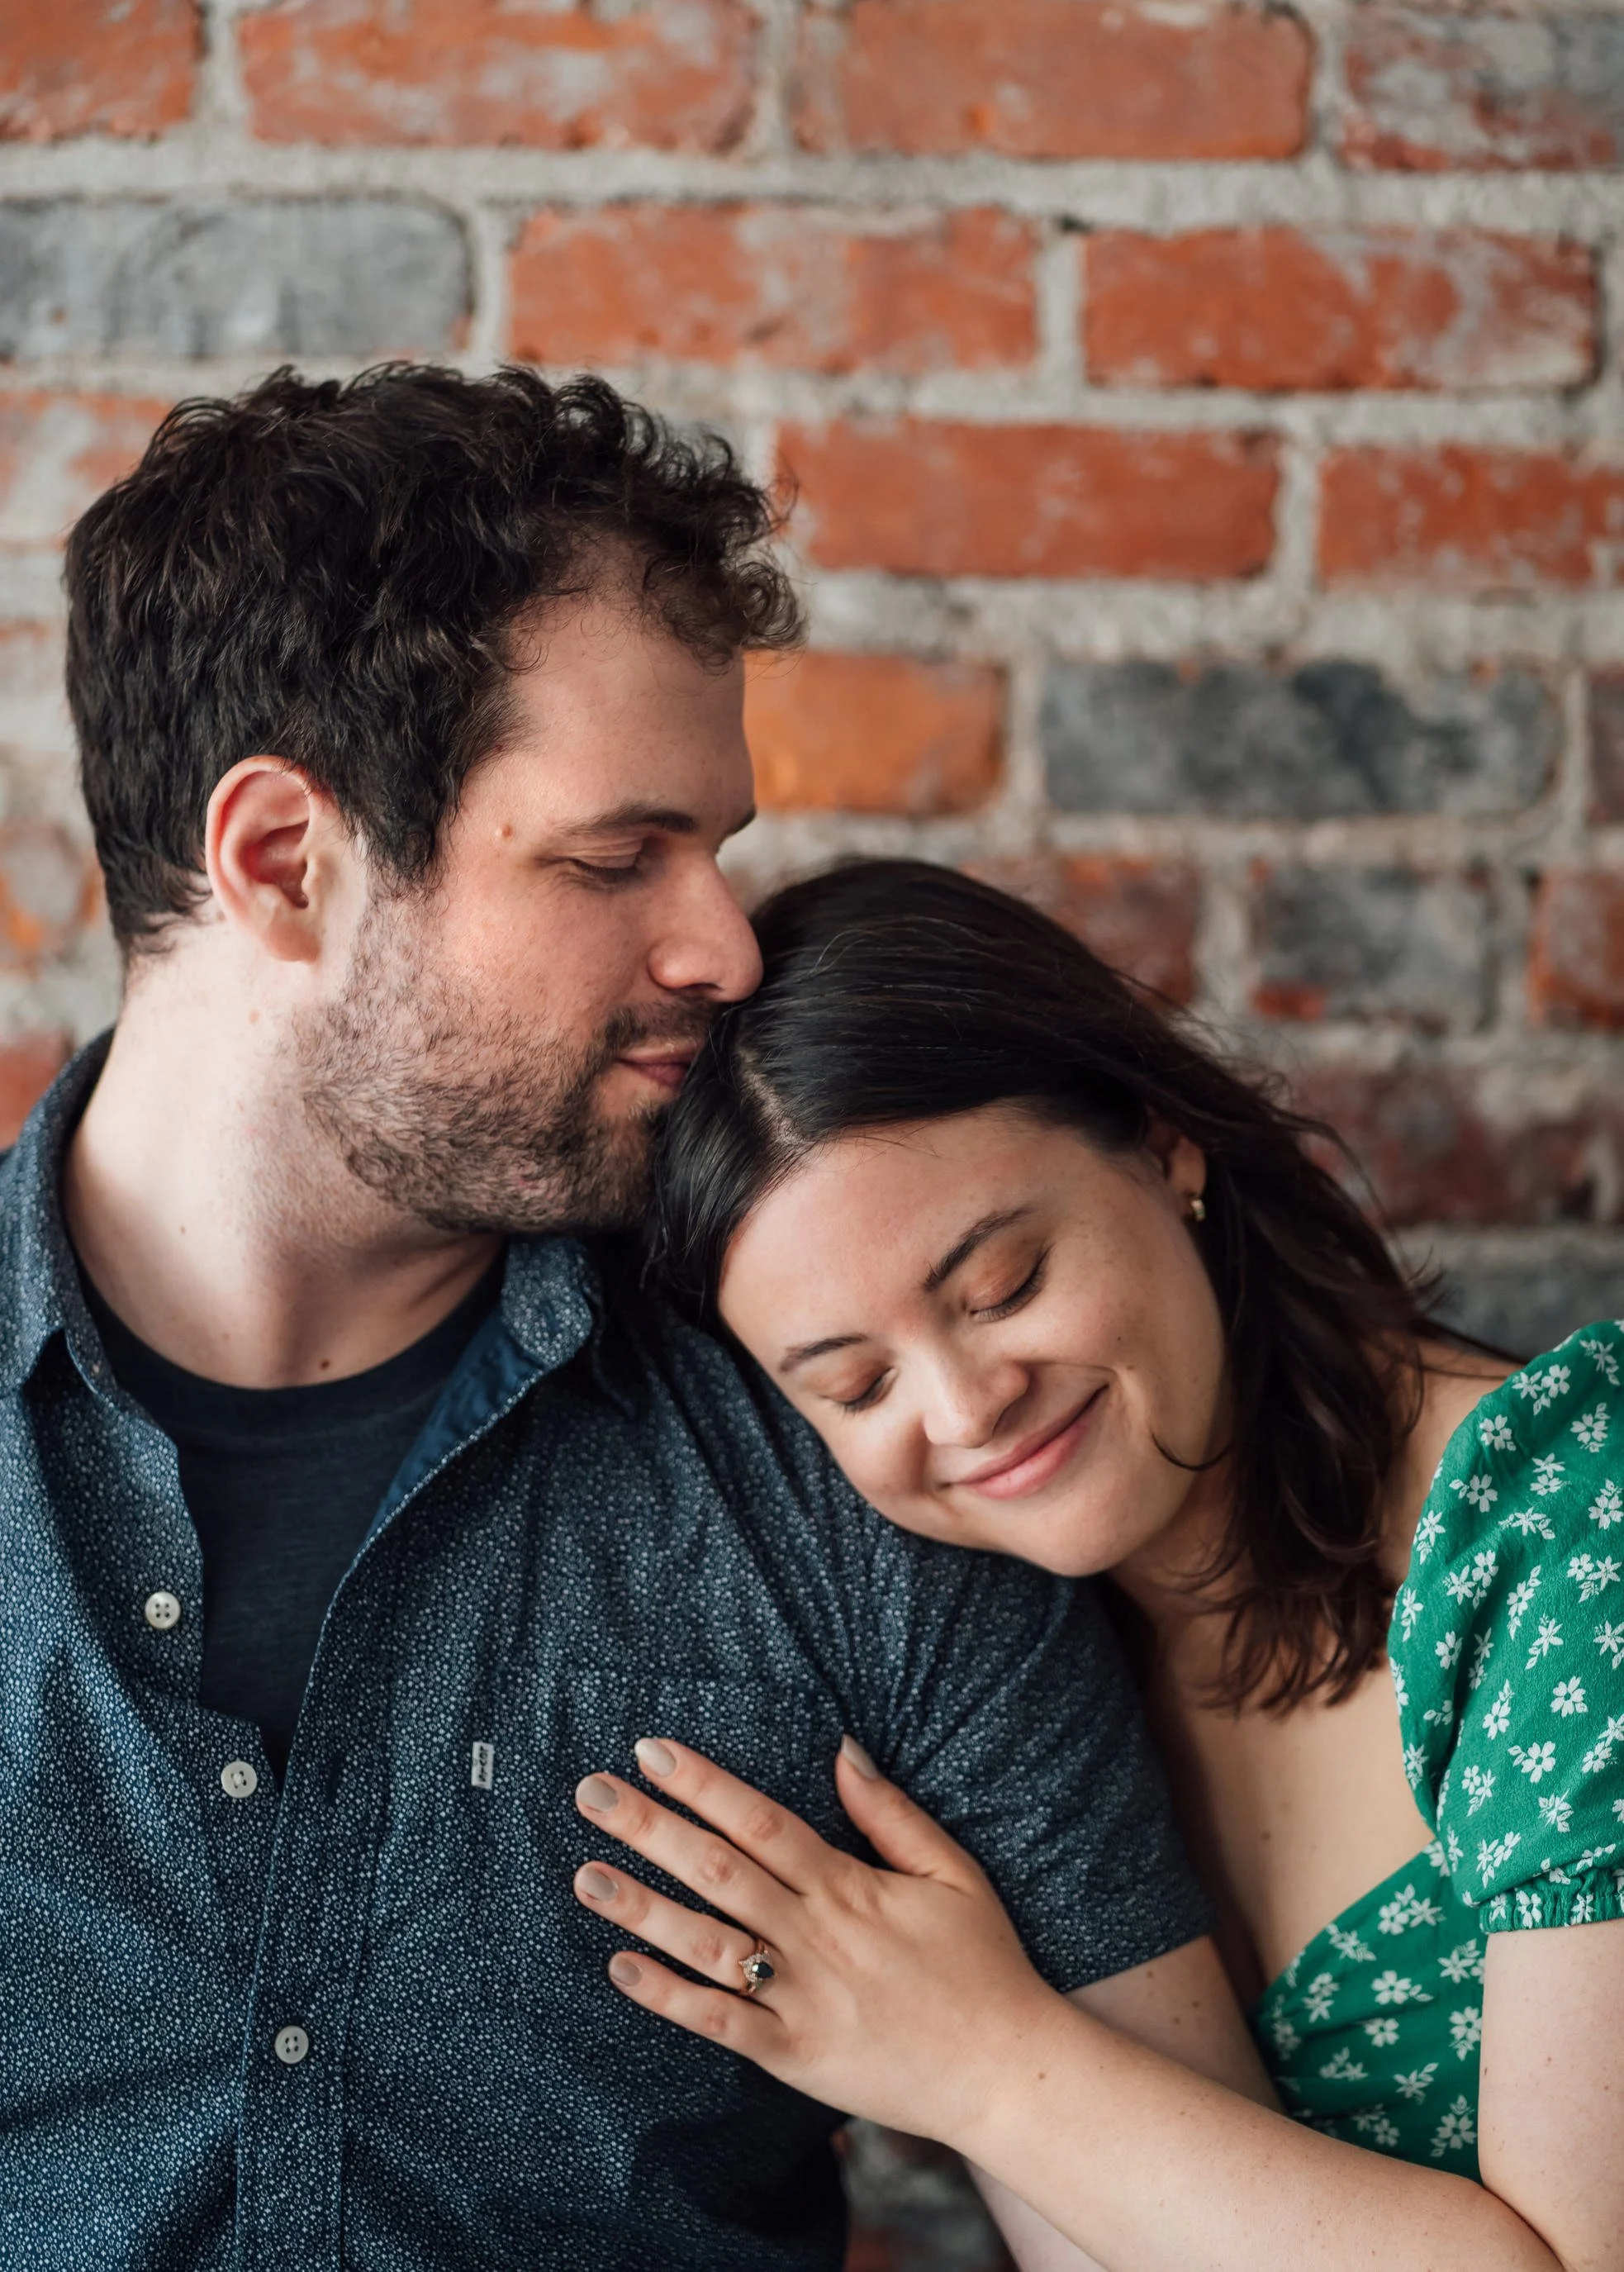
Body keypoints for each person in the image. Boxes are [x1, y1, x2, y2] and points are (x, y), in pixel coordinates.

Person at [1, 368, 1250, 2271]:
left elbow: (1165, 2221)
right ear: (280, 861)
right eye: (614, 859)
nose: (727, 950)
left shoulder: (842, 1436)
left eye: (719, 852)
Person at [570, 858, 1624, 2272]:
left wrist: (986, 2063)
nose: (963, 1409)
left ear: (1162, 1142)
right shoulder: (1007, 1664)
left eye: (1000, 1285)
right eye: (856, 1384)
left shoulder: (1563, 1516)